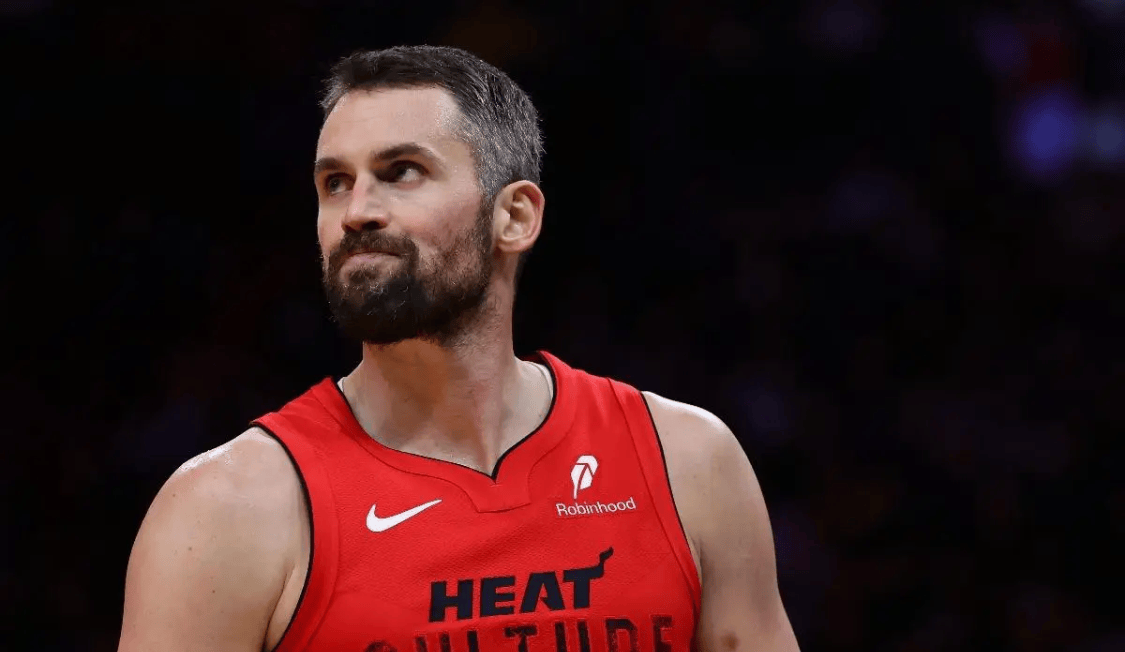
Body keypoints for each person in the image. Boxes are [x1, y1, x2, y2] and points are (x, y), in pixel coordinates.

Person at [118, 45, 800, 652]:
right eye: (335, 183)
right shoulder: (225, 510)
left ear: (515, 216)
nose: (356, 212)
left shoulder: (687, 460)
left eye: (401, 171)